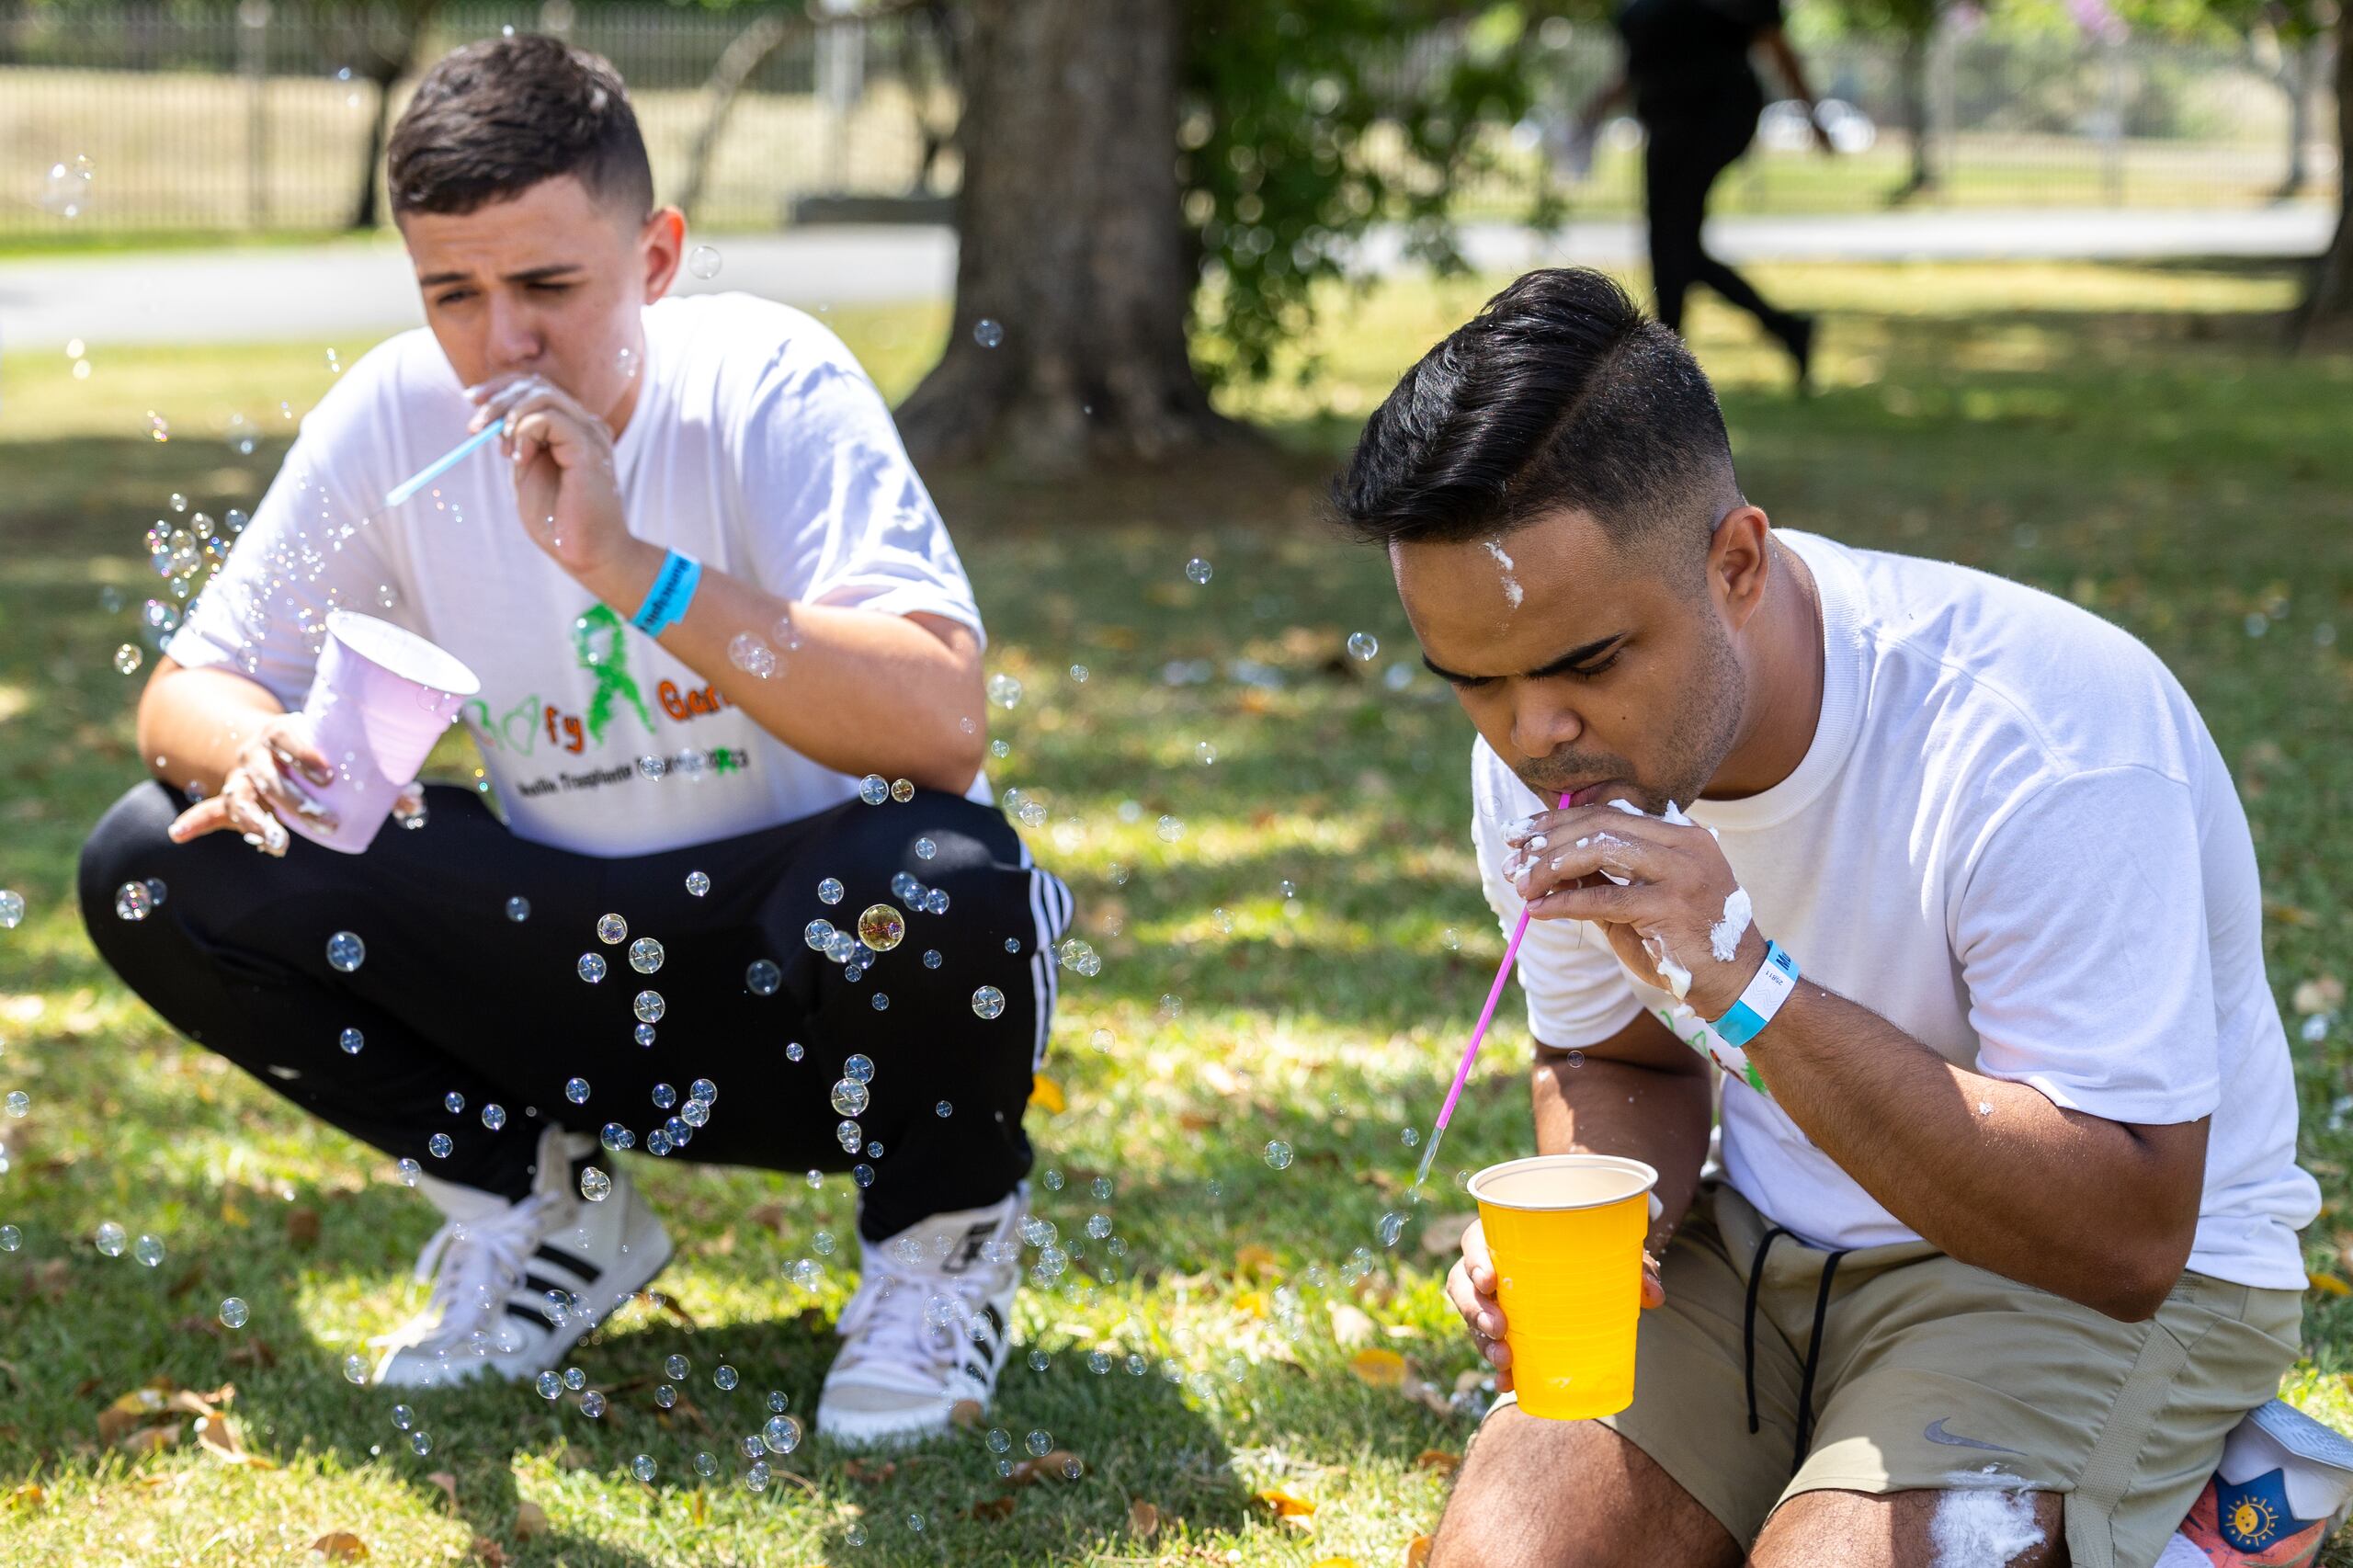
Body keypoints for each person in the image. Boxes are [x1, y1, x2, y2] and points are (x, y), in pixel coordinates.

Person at [76, 34, 1073, 1447]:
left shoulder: (769, 382)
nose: (504, 342)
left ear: (658, 255)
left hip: (818, 983)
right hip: (580, 970)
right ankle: (547, 1212)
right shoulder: (397, 417)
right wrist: (253, 746)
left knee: (941, 874)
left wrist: (632, 567)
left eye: (549, 285)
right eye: (453, 295)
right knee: (154, 856)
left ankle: (936, 1243)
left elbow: (941, 721)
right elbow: (188, 690)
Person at [1332, 267, 2317, 1568]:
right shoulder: (1544, 742)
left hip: (2084, 1281)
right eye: (1473, 682)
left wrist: (1748, 981)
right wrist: (1597, 1220)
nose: (1530, 734)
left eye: (1585, 664)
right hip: (1760, 1243)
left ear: (1736, 561)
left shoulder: (2044, 736)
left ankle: (2232, 1504)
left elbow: (2128, 1231)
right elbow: (1614, 1055)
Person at [1575, 0, 1828, 388]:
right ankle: (1783, 329)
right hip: (1664, 126)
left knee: (1671, 242)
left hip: (1717, 119)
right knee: (1674, 246)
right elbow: (1643, 62)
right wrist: (1595, 107)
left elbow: (1775, 46)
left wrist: (1812, 114)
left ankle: (1666, 368)